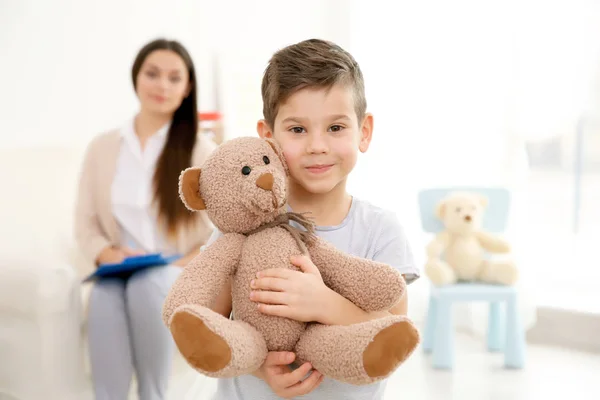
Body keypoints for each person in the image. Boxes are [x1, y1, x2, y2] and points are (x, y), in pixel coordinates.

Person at [204, 38, 420, 400]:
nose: (317, 145)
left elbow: (395, 336)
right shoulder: (240, 228)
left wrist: (324, 304)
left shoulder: (380, 231)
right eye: (298, 129)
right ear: (268, 138)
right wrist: (259, 365)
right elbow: (206, 331)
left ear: (363, 131)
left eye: (335, 128)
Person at [74, 38, 217, 400]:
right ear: (136, 77)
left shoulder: (203, 151)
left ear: (187, 89)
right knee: (103, 295)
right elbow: (85, 222)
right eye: (152, 74)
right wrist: (107, 254)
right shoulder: (103, 147)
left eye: (174, 78)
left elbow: (224, 230)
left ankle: (154, 395)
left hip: (177, 269)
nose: (161, 85)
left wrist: (187, 260)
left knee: (145, 287)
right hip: (119, 268)